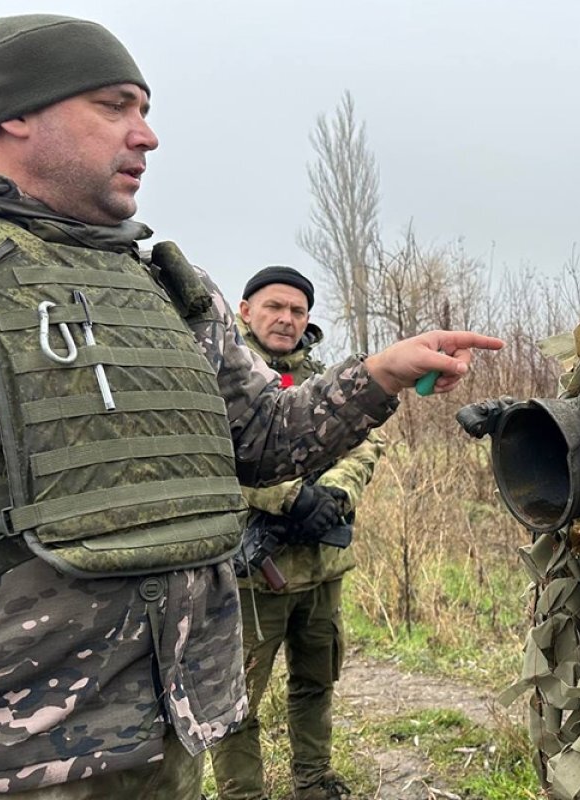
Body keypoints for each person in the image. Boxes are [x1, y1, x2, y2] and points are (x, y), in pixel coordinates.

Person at [0, 14, 501, 799]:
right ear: (15, 114)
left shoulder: (165, 285)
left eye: (146, 109)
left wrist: (380, 373)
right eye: (116, 106)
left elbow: (264, 440)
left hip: (172, 732)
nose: (147, 137)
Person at [210, 267, 381, 800]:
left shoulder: (325, 375)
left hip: (321, 566)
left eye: (298, 311)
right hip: (250, 578)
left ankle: (313, 780)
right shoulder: (217, 372)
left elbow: (365, 443)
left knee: (315, 680)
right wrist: (287, 497)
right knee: (237, 700)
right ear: (244, 311)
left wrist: (334, 494)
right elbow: (207, 460)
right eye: (274, 307)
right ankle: (243, 793)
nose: (286, 319)